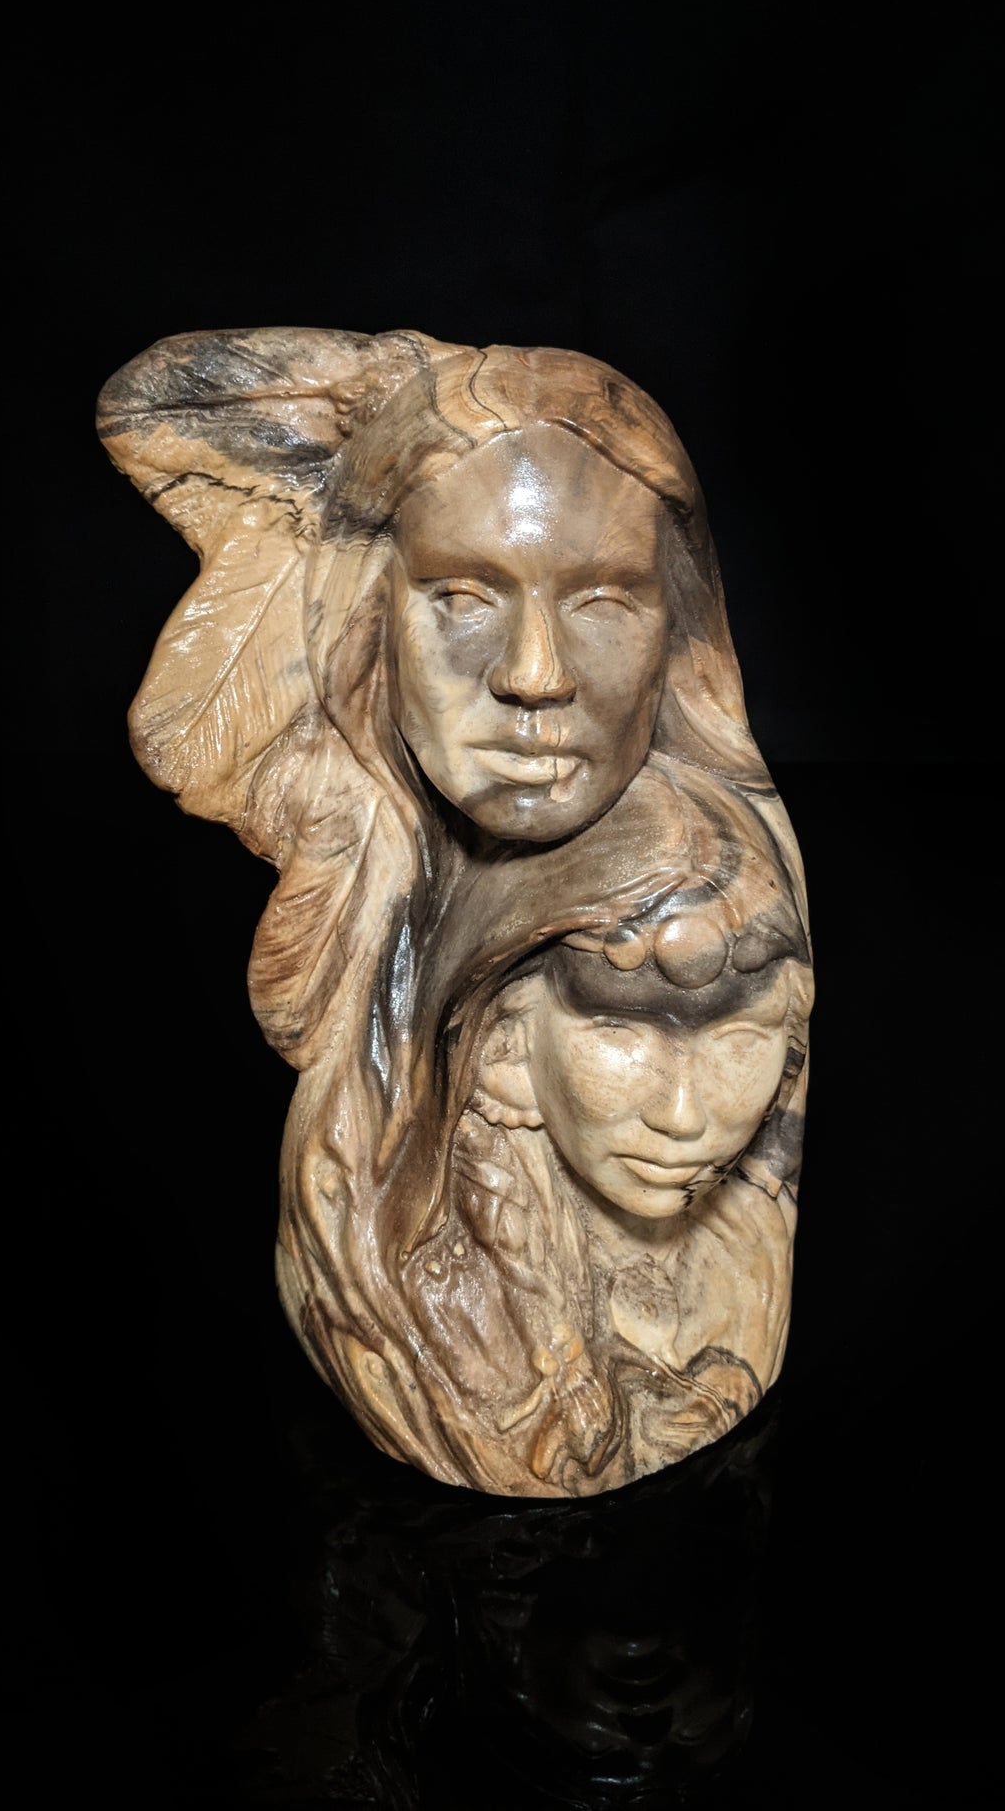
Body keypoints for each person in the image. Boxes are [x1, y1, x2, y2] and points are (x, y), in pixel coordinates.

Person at [97, 328, 811, 1490]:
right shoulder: (381, 903)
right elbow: (151, 408)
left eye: (603, 600)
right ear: (363, 615)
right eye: (463, 596)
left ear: (676, 624)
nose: (533, 673)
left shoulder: (717, 887)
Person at [403, 815, 814, 1496]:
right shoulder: (442, 1290)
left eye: (739, 1039)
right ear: (505, 1048)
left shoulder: (752, 1250)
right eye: (619, 1032)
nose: (681, 1116)